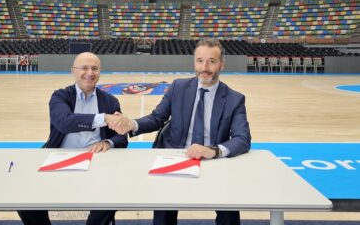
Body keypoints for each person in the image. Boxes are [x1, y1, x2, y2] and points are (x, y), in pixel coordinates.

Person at [110, 39, 251, 225]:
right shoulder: (178, 87)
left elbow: (243, 139)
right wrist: (132, 124)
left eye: (212, 61)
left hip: (213, 160)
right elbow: (156, 118)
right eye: (200, 61)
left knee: (230, 215)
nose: (204, 67)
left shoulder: (234, 99)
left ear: (221, 64)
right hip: (176, 156)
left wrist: (214, 151)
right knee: (163, 217)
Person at [18, 52, 128, 225]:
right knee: (24, 197)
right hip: (59, 157)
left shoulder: (110, 100)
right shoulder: (60, 96)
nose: (90, 73)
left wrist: (108, 141)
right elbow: (64, 122)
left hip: (96, 161)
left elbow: (122, 137)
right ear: (73, 71)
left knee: (112, 195)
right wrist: (103, 118)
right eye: (84, 68)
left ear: (100, 72)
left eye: (95, 68)